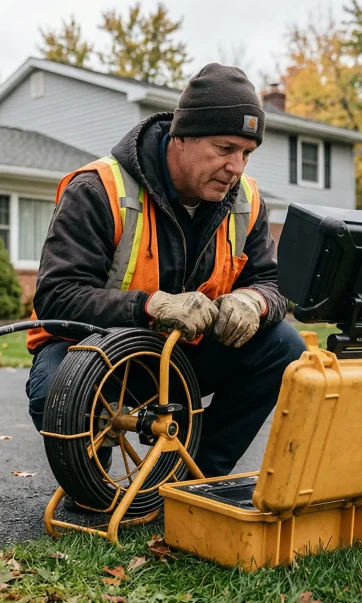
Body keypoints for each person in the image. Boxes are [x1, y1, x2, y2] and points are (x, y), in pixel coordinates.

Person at [24, 63, 306, 481]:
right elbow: (57, 296)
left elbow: (273, 283)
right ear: (183, 136)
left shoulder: (246, 200)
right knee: (57, 395)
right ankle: (94, 470)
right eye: (225, 148)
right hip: (96, 357)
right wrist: (151, 305)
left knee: (283, 345)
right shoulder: (99, 189)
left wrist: (255, 300)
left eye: (247, 153)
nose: (237, 168)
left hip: (184, 358)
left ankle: (194, 478)